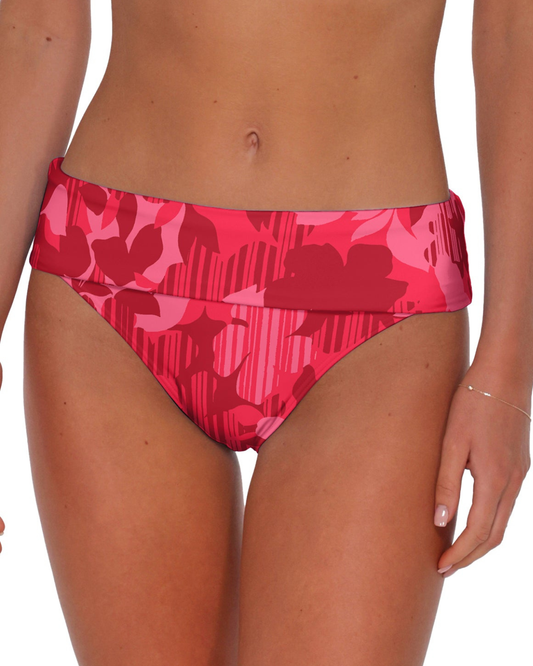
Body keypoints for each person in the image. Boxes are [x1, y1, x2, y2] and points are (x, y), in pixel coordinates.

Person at [0, 0, 531, 664]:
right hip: (111, 272)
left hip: (377, 300)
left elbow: (515, 30)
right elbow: (36, 31)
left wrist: (508, 372)